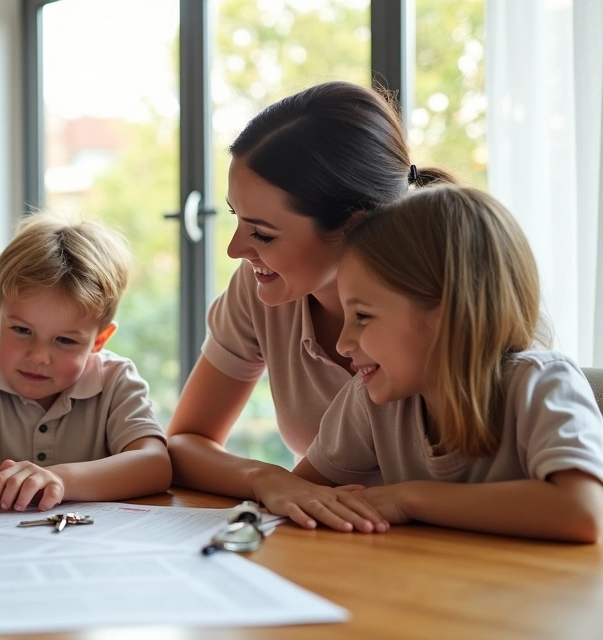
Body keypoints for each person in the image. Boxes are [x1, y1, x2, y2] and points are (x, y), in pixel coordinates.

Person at [167, 81, 454, 533]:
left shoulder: (463, 307)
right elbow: (185, 441)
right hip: (340, 549)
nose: (235, 249)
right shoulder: (262, 290)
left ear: (352, 226)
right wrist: (267, 478)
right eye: (236, 218)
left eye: (262, 233)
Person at [293, 186, 603, 542]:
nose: (343, 343)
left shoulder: (543, 383)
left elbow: (583, 512)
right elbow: (302, 491)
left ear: (448, 318)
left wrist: (409, 498)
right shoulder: (371, 400)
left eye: (362, 315)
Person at [0, 214, 171, 512]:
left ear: (99, 340)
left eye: (65, 341)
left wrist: (58, 479)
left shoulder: (116, 381)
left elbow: (156, 466)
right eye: (22, 330)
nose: (38, 356)